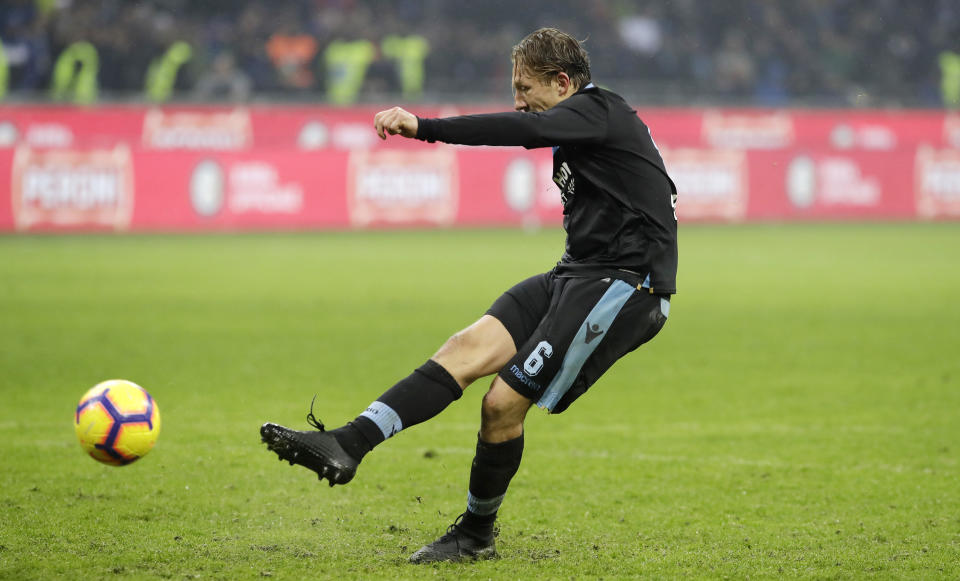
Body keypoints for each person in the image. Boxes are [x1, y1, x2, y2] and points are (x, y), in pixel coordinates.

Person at [260, 27, 678, 564]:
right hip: (576, 275)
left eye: (526, 88)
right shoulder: (582, 126)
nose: (518, 100)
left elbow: (511, 129)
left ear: (563, 82)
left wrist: (425, 126)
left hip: (624, 286)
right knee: (464, 348)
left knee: (502, 405)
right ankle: (348, 443)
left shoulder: (599, 112)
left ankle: (476, 535)